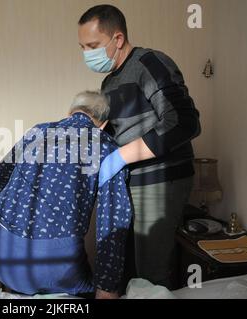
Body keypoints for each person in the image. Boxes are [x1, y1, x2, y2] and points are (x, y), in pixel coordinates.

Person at [78, 5, 201, 290]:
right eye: (83, 46)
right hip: (129, 181)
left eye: (93, 45)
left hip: (160, 179)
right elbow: (120, 129)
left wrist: (122, 155)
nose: (87, 53)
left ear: (117, 39)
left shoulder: (151, 63)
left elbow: (184, 122)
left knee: (150, 271)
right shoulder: (109, 81)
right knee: (126, 266)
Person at [0, 91, 133, 299]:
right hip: (51, 262)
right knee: (87, 290)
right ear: (103, 124)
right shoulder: (107, 147)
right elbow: (114, 218)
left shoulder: (38, 131)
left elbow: (0, 173)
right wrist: (107, 285)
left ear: (69, 113)